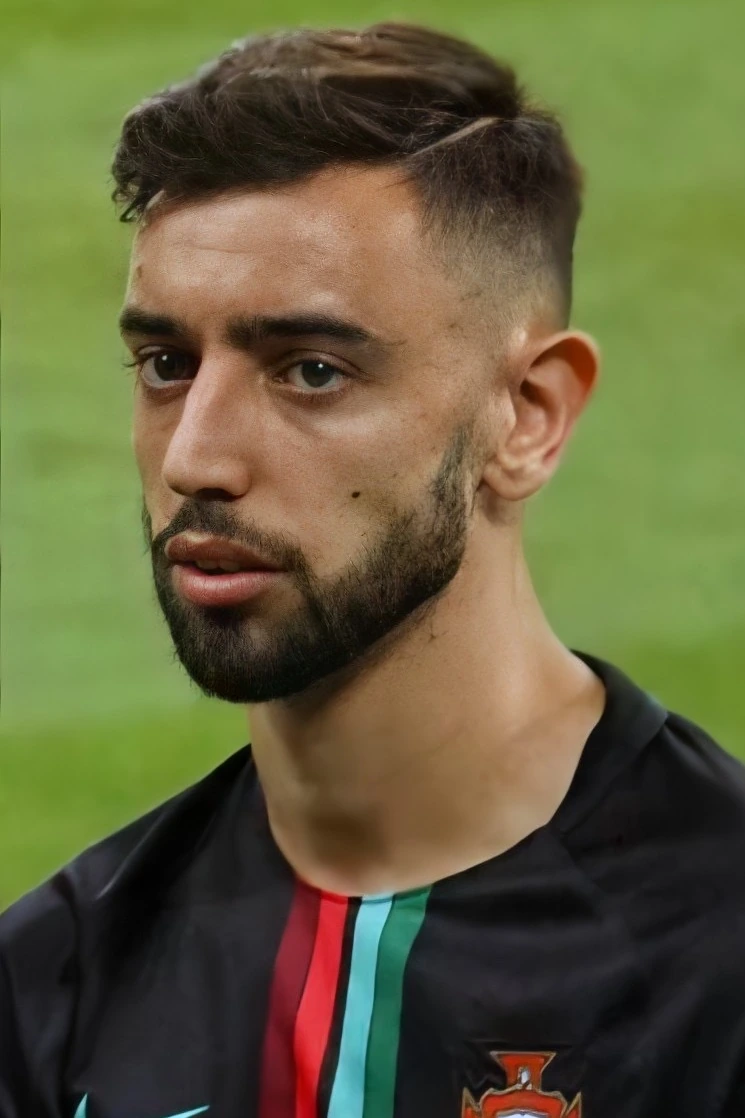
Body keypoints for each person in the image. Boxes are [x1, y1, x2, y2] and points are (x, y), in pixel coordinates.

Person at [2, 20, 744, 1118]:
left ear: (527, 416)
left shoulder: (717, 955)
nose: (197, 456)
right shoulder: (53, 985)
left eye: (310, 370)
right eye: (166, 363)